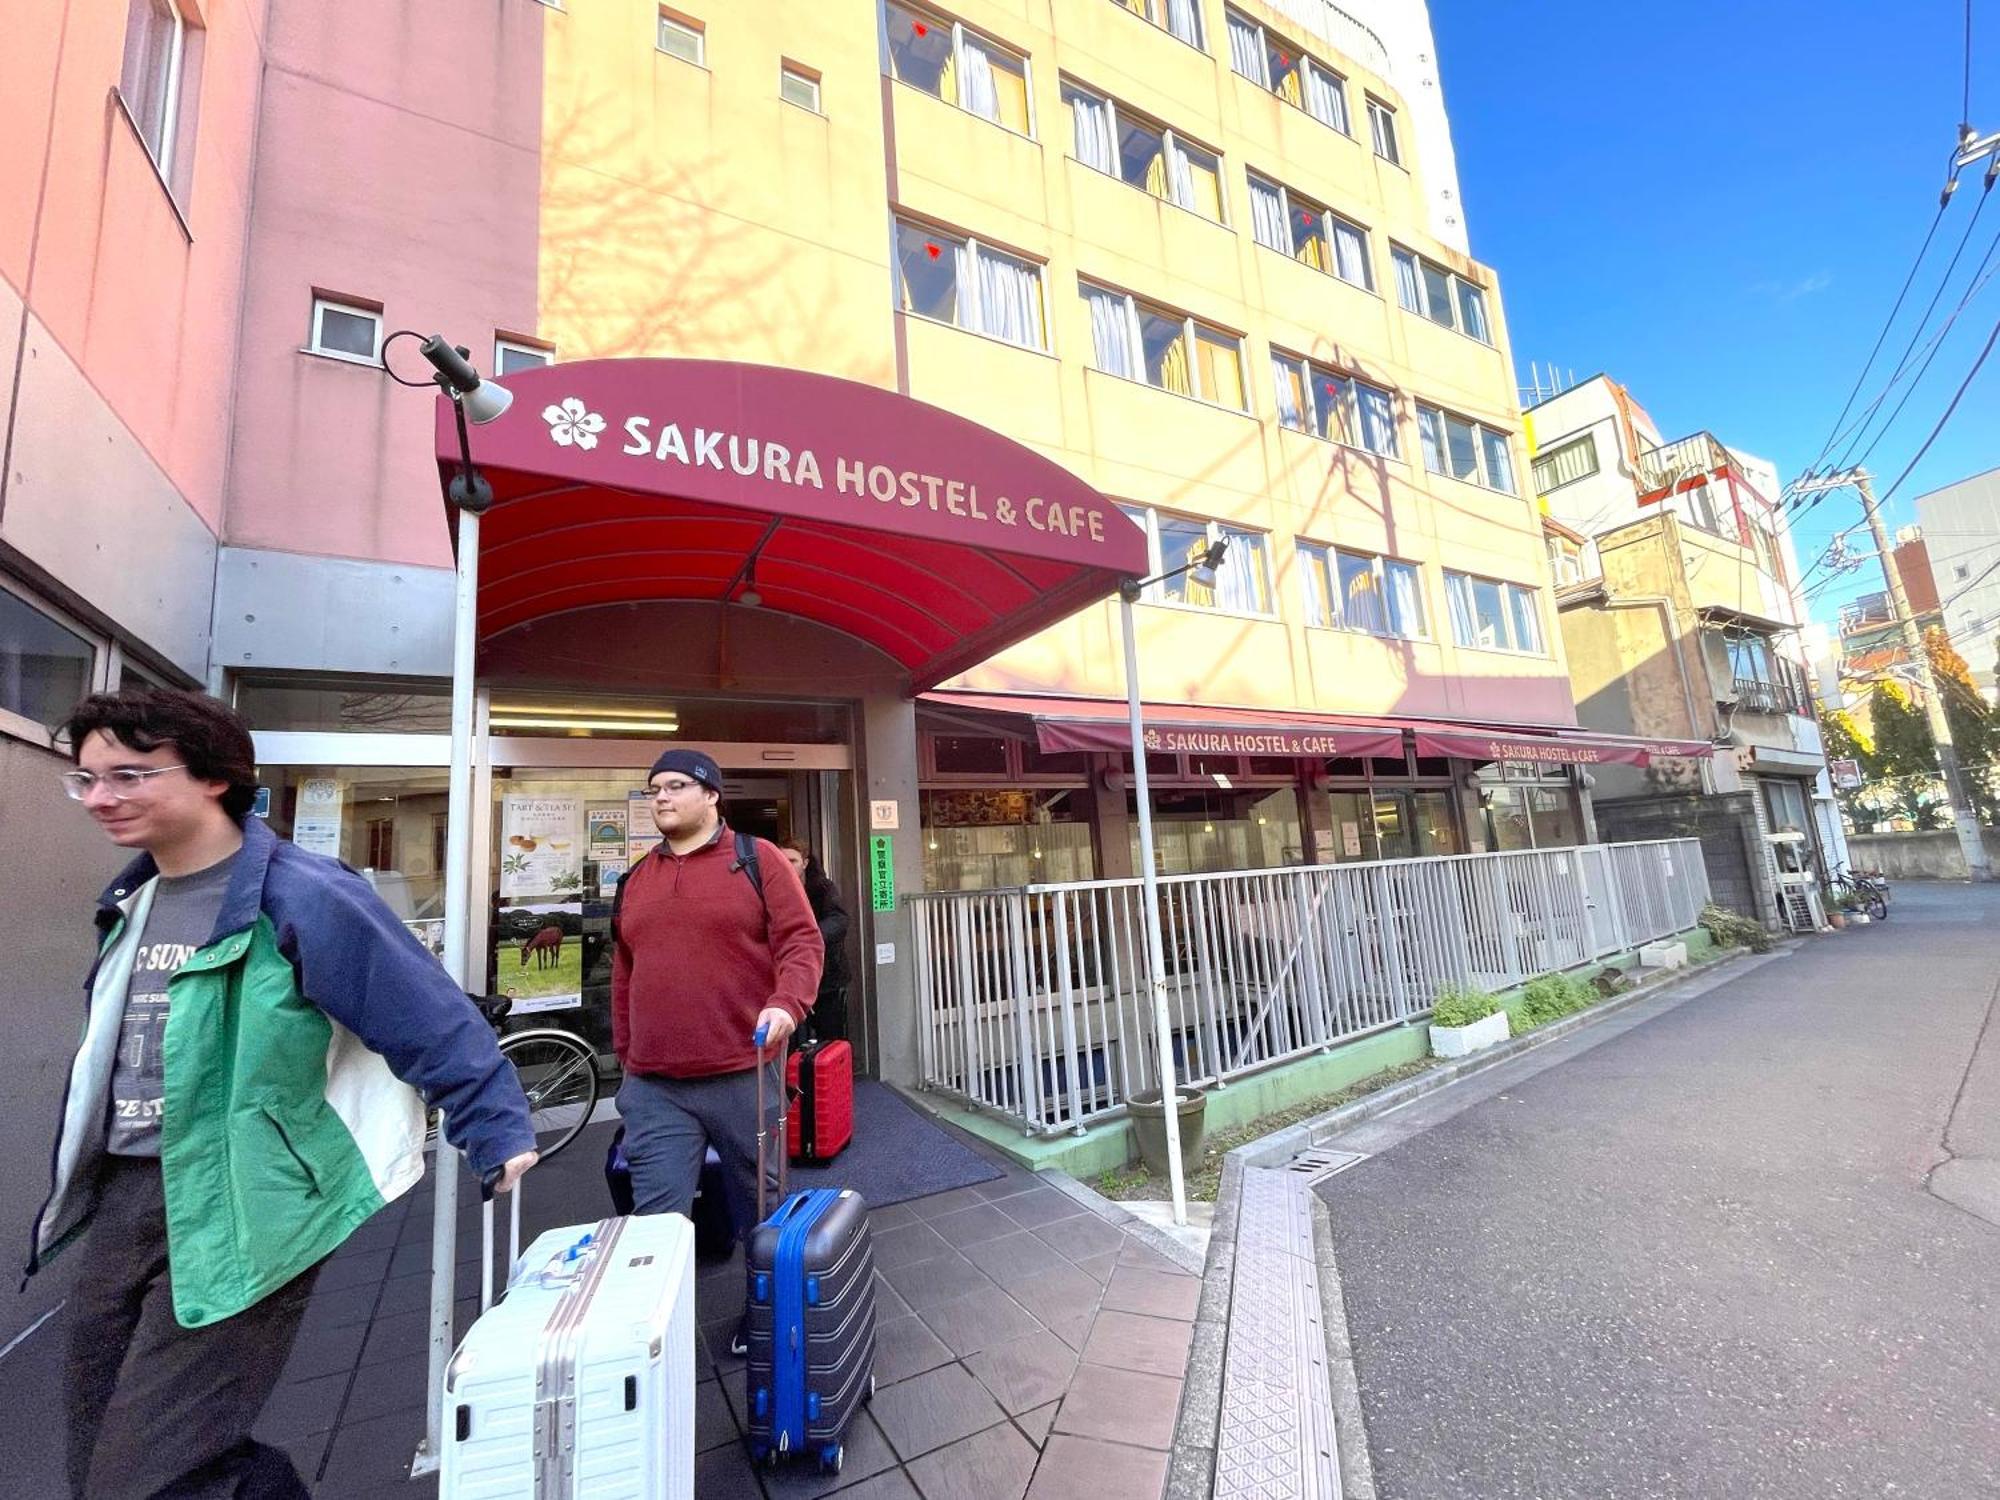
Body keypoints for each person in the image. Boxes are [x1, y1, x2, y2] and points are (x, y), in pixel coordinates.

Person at [28, 688, 539, 1500]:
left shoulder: (300, 893)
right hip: (126, 1195)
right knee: (101, 1448)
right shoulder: (133, 899)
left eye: (127, 776)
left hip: (249, 1198)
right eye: (85, 780)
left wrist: (495, 1123)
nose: (99, 799)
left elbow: (424, 1012)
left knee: (146, 1470)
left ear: (212, 778)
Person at [612, 749, 822, 1350]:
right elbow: (626, 972)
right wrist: (627, 1055)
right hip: (655, 1087)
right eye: (653, 788)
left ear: (711, 795)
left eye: (676, 785)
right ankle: (654, 1340)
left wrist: (787, 1002)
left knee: (764, 1208)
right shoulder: (637, 879)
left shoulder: (757, 861)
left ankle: (767, 1316)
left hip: (743, 1071)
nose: (661, 797)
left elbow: (802, 942)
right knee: (655, 1222)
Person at [781, 840, 851, 1042]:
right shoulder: (772, 888)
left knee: (831, 1041)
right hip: (790, 979)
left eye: (792, 860)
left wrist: (810, 939)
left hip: (827, 977)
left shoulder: (822, 888)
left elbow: (839, 920)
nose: (787, 865)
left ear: (805, 863)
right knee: (794, 1042)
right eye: (782, 860)